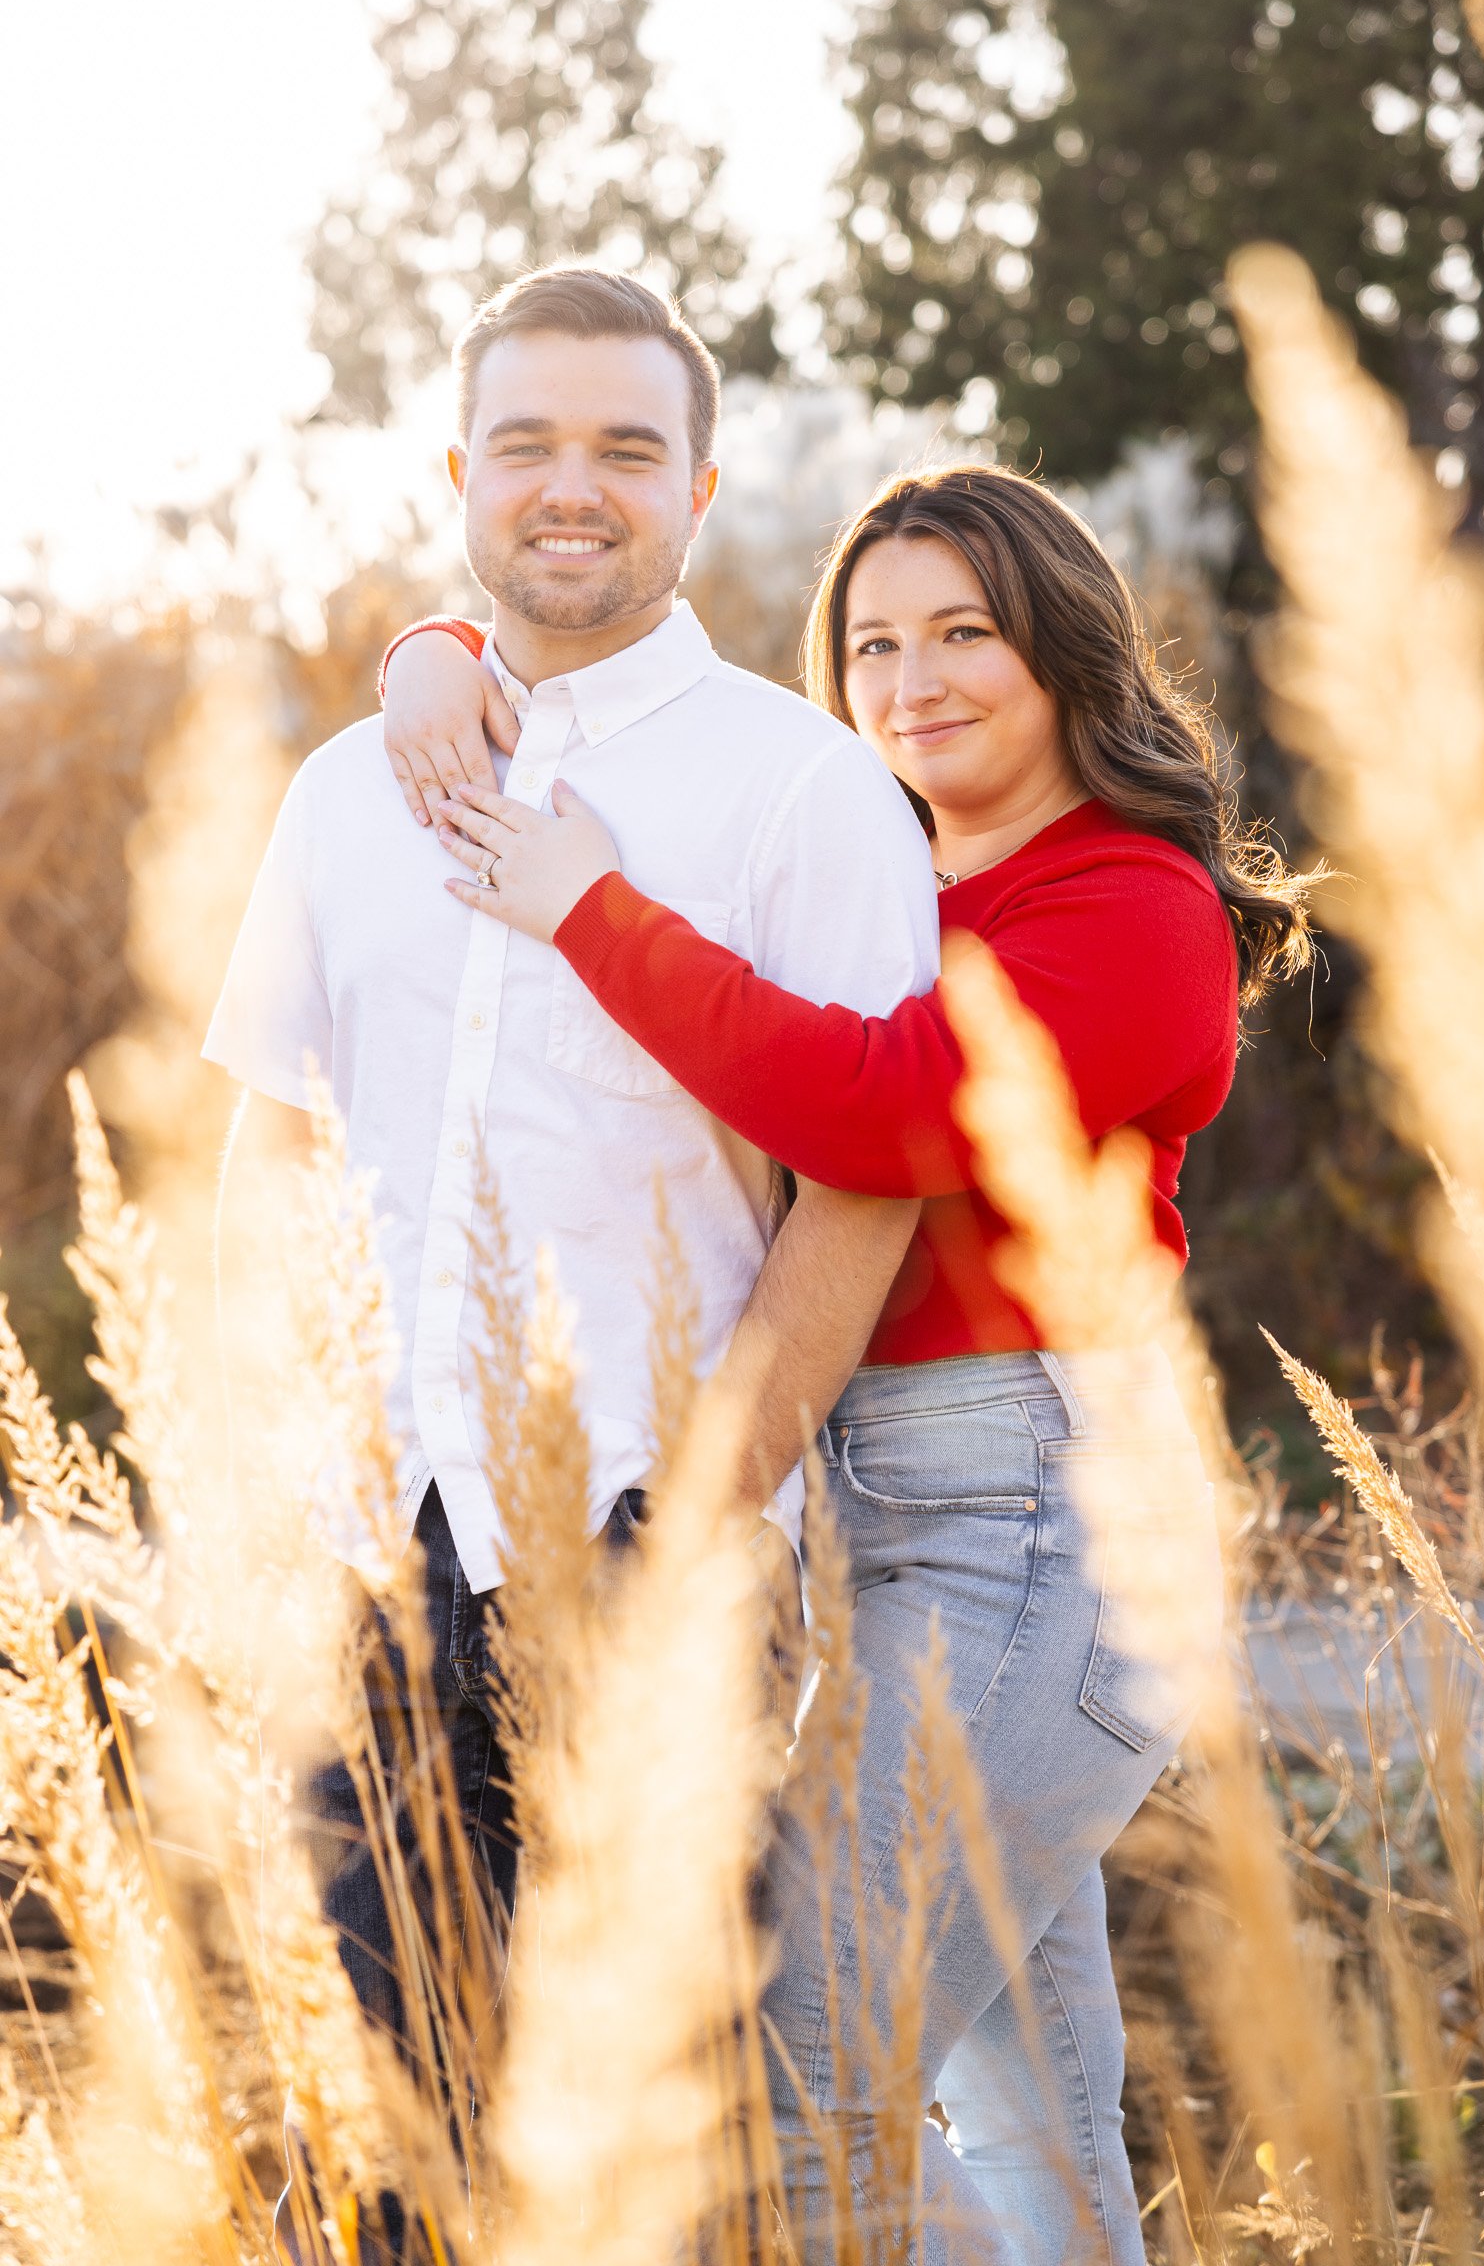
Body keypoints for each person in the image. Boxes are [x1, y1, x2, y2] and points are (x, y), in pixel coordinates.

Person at [377, 463, 1313, 2265]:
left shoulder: (1128, 906)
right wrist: (440, 642)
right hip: (905, 1535)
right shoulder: (894, 888)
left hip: (1042, 1540)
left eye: (965, 632)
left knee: (798, 2102)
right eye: (871, 644)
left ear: (1063, 654)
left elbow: (884, 1109)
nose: (913, 680)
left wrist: (587, 906)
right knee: (1032, 2131)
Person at [203, 266, 939, 2264]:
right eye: (527, 442)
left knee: (649, 2150)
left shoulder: (805, 790)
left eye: (628, 447)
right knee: (401, 2130)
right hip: (368, 1541)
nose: (573, 487)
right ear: (458, 475)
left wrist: (717, 1512)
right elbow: (269, 1143)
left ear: (700, 489)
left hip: (648, 1538)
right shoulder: (345, 794)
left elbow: (864, 1189)